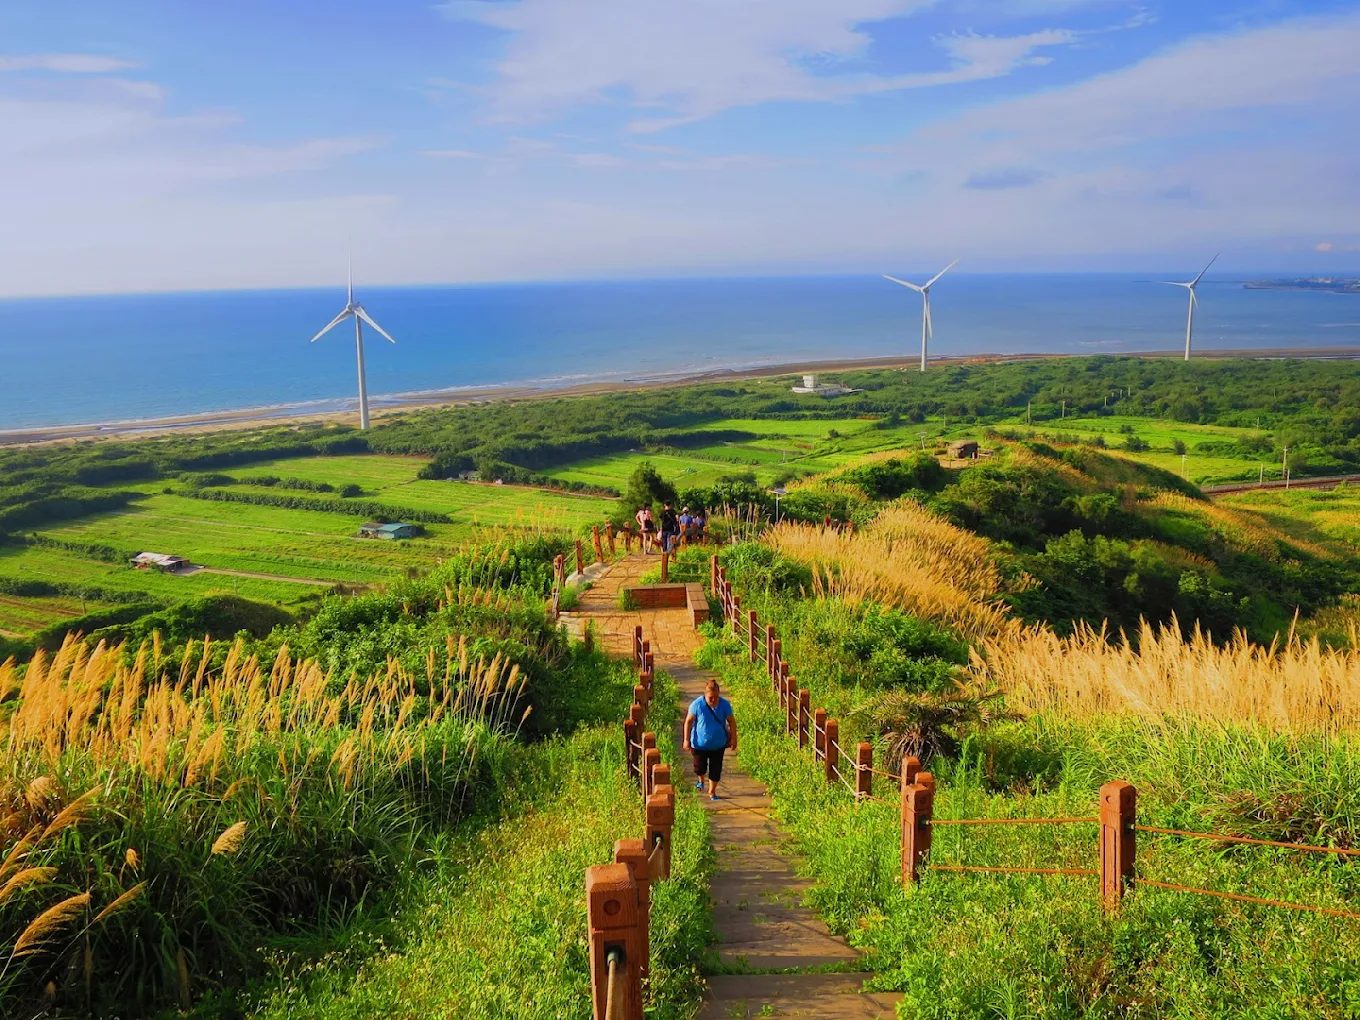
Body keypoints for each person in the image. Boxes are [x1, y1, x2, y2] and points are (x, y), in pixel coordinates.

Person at [683, 678, 737, 800]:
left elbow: (732, 722)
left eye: (716, 697)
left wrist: (734, 739)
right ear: (705, 696)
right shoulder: (697, 705)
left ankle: (712, 792)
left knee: (715, 770)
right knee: (699, 767)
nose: (714, 700)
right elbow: (688, 722)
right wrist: (686, 740)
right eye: (710, 698)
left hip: (718, 745)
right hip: (699, 745)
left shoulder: (724, 705)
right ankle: (700, 780)